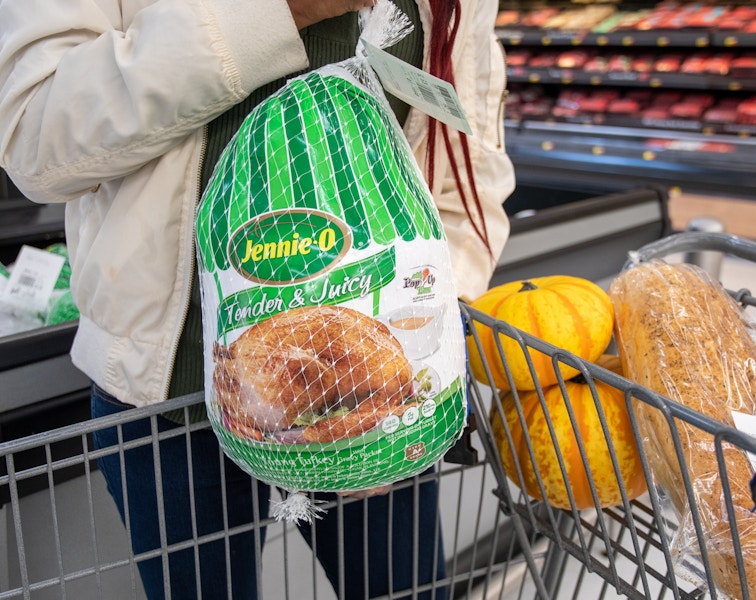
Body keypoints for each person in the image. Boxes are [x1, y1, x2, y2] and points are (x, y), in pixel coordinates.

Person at [0, 0, 515, 599]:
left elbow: (466, 157)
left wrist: (425, 356)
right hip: (168, 398)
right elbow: (36, 141)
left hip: (371, 381)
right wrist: (277, 13)